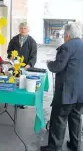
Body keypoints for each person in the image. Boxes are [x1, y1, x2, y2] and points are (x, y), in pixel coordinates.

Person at [40, 22, 83, 151]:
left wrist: (49, 64)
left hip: (66, 91)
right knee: (76, 118)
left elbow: (58, 67)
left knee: (59, 118)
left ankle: (54, 147)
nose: (64, 37)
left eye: (65, 35)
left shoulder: (66, 47)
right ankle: (75, 145)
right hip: (81, 92)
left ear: (68, 35)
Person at [7, 22, 37, 109]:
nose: (23, 30)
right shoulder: (14, 39)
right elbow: (9, 50)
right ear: (19, 29)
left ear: (28, 29)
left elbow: (34, 55)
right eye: (21, 28)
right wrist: (10, 56)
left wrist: (30, 64)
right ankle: (16, 100)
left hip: (26, 66)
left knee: (24, 85)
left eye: (25, 28)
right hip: (15, 65)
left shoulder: (32, 41)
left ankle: (23, 102)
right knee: (16, 83)